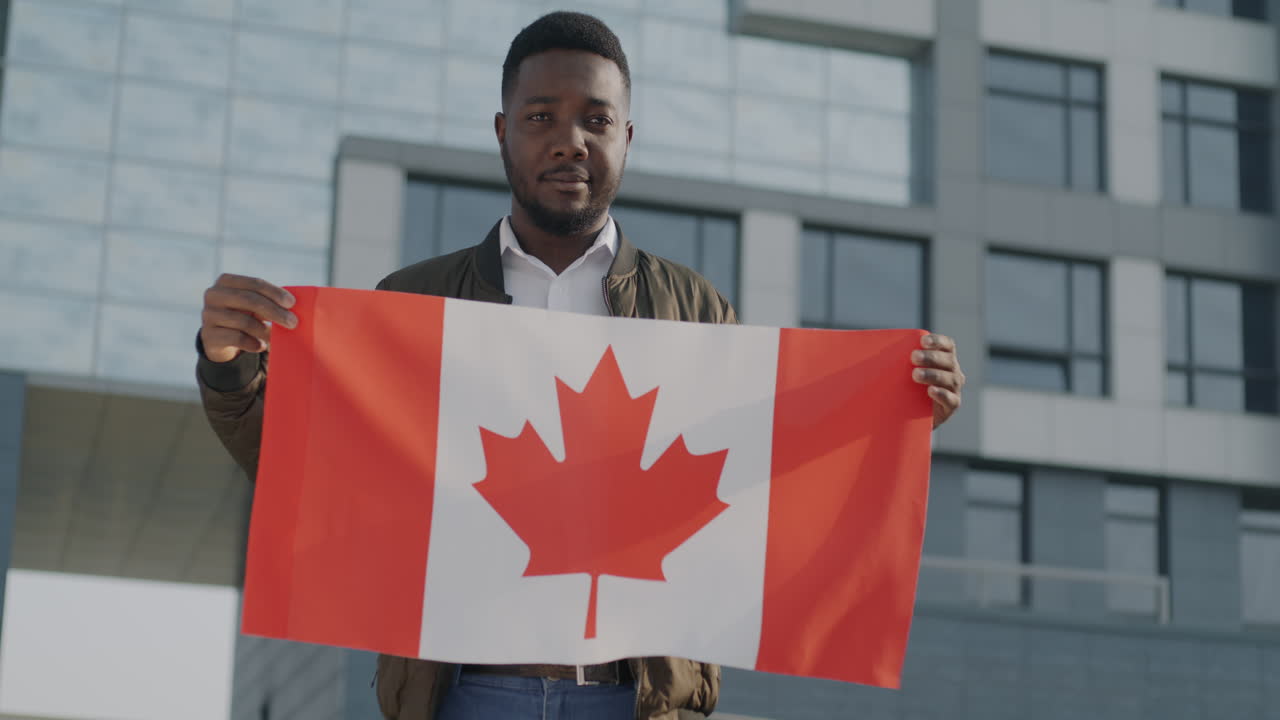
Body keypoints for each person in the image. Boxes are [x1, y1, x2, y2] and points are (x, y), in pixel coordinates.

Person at [196, 11, 965, 720]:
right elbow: (314, 473)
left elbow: (766, 480)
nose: (569, 140)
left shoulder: (694, 311)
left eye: (596, 120)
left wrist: (888, 420)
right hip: (463, 695)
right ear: (503, 131)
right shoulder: (414, 307)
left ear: (629, 136)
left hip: (635, 700)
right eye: (541, 118)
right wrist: (230, 367)